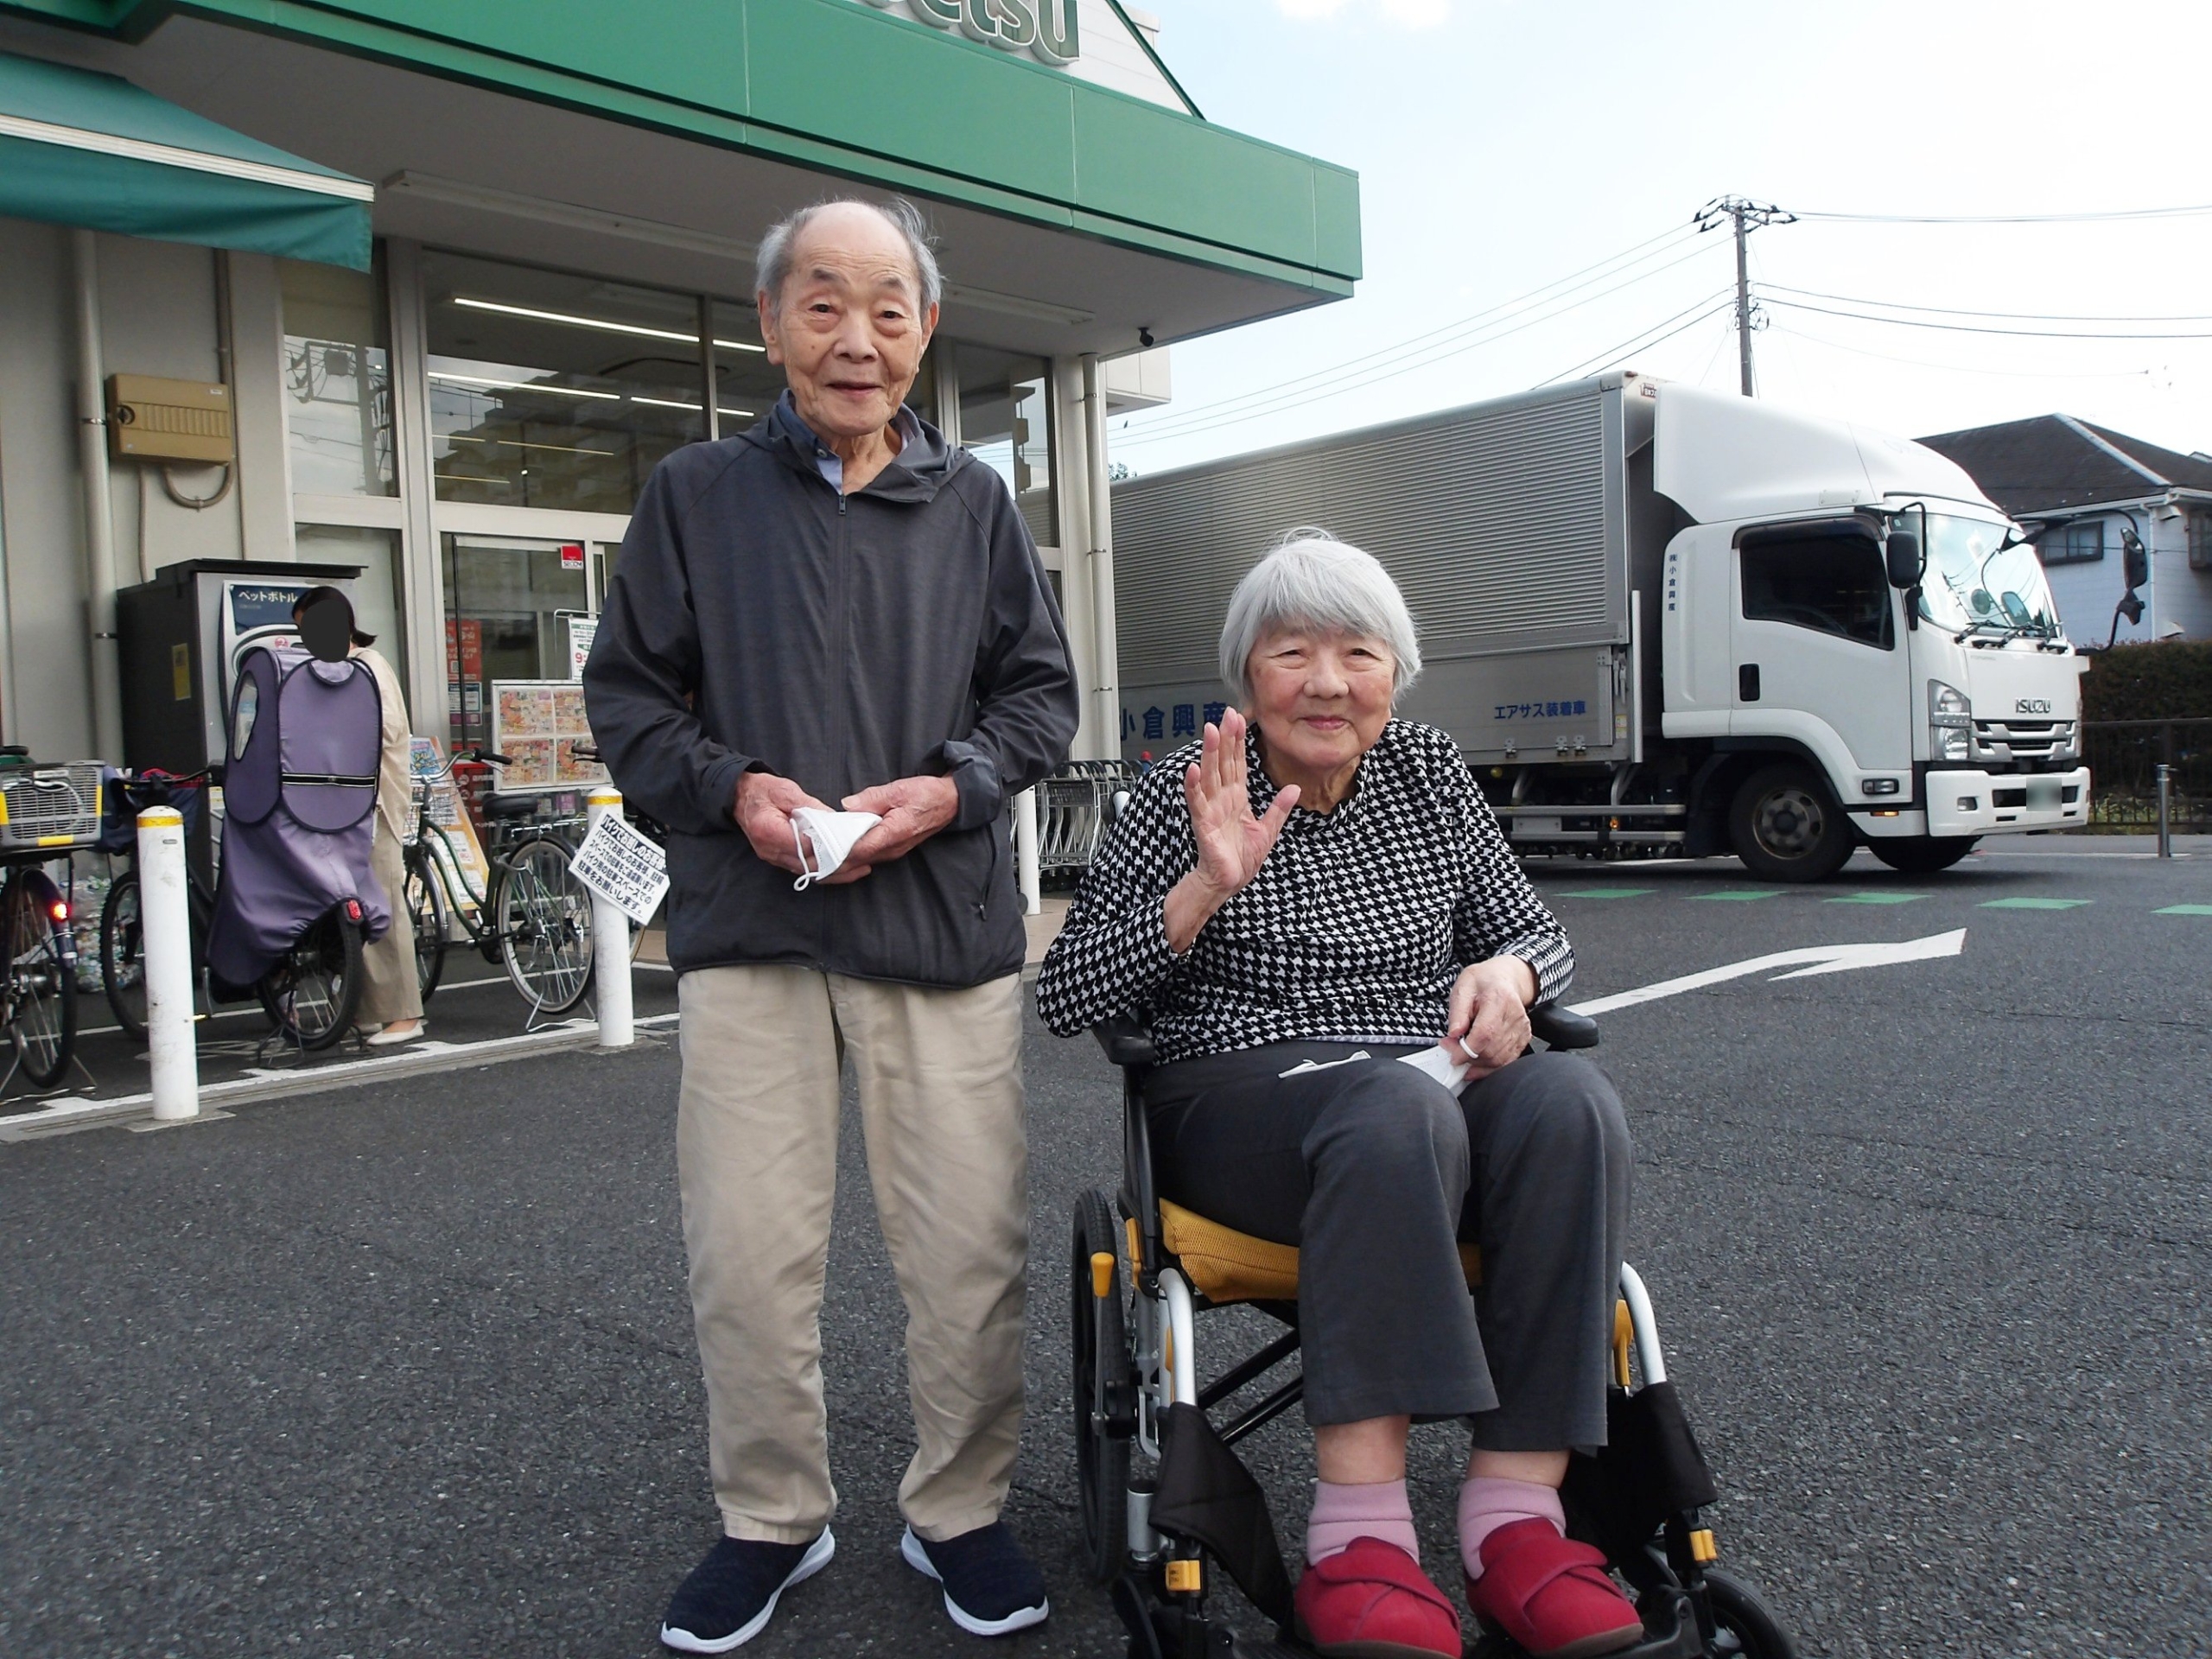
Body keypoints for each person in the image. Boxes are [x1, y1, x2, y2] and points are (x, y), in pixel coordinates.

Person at [583, 197, 1079, 1653]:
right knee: (745, 1249)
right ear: (771, 323)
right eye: (823, 303)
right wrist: (730, 787)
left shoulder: (978, 505)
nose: (856, 337)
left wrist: (954, 789)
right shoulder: (695, 495)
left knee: (965, 1252)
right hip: (752, 924)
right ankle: (771, 1519)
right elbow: (629, 700)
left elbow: (1039, 697)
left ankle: (959, 1509)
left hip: (941, 929)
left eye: (887, 307)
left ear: (925, 329)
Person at [1034, 531, 1640, 1659]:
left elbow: (1531, 932)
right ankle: (1360, 1541)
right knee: (1393, 1112)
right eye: (1292, 651)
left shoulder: (1426, 772)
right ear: (1246, 674)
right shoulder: (1183, 791)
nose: (1326, 681)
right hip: (1241, 1099)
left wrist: (1507, 979)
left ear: (1394, 673)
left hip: (1425, 1083)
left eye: (1357, 652)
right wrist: (1204, 888)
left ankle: (1518, 1519)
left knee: (1569, 1104)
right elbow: (1069, 994)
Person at [292, 587, 422, 1048]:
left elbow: (379, 730)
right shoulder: (343, 669)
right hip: (348, 808)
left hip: (375, 805)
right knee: (358, 910)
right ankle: (368, 1011)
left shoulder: (368, 667)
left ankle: (405, 1014)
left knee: (383, 903)